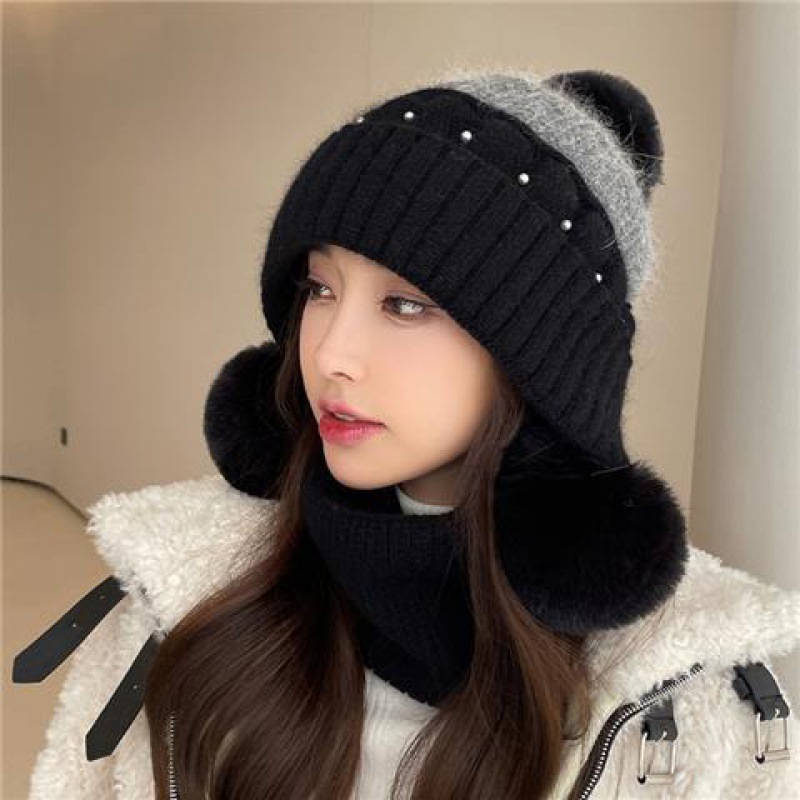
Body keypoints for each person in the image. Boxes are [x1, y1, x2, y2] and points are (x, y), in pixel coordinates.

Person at [14, 67, 800, 800]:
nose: (330, 354)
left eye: (404, 305)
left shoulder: (694, 699)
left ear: (540, 359)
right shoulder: (178, 600)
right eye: (320, 288)